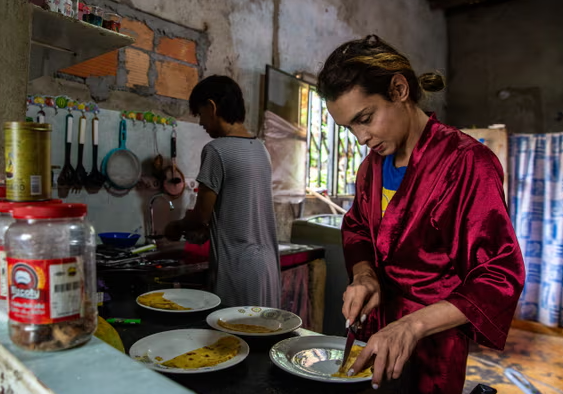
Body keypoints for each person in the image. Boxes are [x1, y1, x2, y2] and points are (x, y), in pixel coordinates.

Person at [316, 35, 525, 393]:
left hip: (431, 342)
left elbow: (498, 273)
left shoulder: (466, 163)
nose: (361, 138)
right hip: (377, 331)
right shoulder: (372, 169)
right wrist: (365, 275)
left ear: (398, 89)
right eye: (349, 128)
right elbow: (358, 229)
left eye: (365, 119)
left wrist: (413, 325)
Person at [165, 75, 281, 308]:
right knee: (261, 336)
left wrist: (176, 226)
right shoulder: (261, 150)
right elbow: (240, 212)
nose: (200, 124)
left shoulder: (216, 151)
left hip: (237, 267)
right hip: (267, 267)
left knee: (234, 339)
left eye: (200, 114)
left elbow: (201, 215)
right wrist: (211, 231)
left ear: (212, 107)